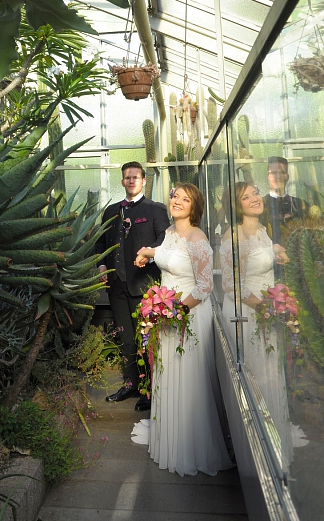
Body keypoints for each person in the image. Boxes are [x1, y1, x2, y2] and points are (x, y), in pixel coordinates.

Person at [133, 184, 234, 477]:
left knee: (188, 377)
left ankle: (190, 444)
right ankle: (170, 436)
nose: (176, 201)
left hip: (187, 316)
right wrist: (148, 252)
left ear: (195, 206)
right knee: (166, 373)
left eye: (184, 198)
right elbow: (166, 254)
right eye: (175, 196)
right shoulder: (169, 233)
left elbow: (205, 286)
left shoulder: (198, 238)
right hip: (164, 314)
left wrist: (175, 313)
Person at [221, 182, 293, 468]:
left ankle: (274, 440)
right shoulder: (233, 235)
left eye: (255, 193)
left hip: (268, 312)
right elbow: (229, 285)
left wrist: (280, 255)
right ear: (236, 206)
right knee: (252, 376)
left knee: (270, 374)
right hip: (247, 315)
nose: (254, 199)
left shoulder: (263, 232)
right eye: (245, 197)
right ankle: (254, 453)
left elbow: (267, 262)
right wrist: (267, 308)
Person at [96, 161, 170, 411]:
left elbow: (165, 240)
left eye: (135, 177)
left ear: (144, 180)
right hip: (116, 287)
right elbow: (100, 244)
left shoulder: (155, 209)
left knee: (146, 339)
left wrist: (149, 254)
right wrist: (102, 267)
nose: (131, 181)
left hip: (144, 287)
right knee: (126, 339)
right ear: (122, 181)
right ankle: (130, 385)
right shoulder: (110, 211)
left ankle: (149, 391)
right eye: (127, 177)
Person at [261, 156, 308, 246]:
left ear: (287, 177)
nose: (277, 176)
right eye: (273, 173)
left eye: (282, 172)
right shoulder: (260, 205)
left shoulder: (300, 204)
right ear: (268, 176)